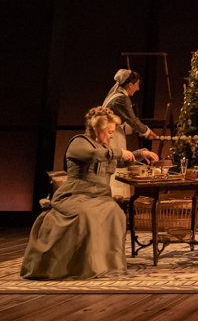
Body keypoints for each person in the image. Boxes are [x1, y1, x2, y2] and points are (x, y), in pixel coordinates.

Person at [21, 106, 157, 280]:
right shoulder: (79, 142)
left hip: (99, 196)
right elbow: (94, 156)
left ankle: (107, 265)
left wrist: (139, 153)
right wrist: (118, 152)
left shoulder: (105, 149)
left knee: (115, 213)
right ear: (96, 130)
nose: (111, 136)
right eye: (109, 132)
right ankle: (85, 266)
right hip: (75, 195)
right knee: (86, 214)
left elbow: (116, 162)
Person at [102, 69, 158, 198]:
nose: (138, 88)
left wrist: (136, 130)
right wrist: (147, 132)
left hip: (114, 132)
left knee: (119, 160)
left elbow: (124, 121)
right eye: (137, 84)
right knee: (117, 162)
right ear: (130, 84)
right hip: (112, 135)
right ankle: (117, 196)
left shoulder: (117, 96)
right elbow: (132, 120)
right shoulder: (121, 98)